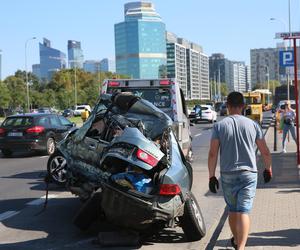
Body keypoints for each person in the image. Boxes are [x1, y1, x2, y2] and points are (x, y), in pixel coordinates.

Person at [208, 91, 272, 250]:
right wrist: (268, 169)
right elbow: (265, 151)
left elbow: (212, 153)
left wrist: (211, 177)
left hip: (228, 174)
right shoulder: (253, 125)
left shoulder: (219, 126)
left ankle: (236, 240)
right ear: (243, 106)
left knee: (233, 209)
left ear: (227, 106)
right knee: (243, 211)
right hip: (249, 174)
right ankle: (241, 247)